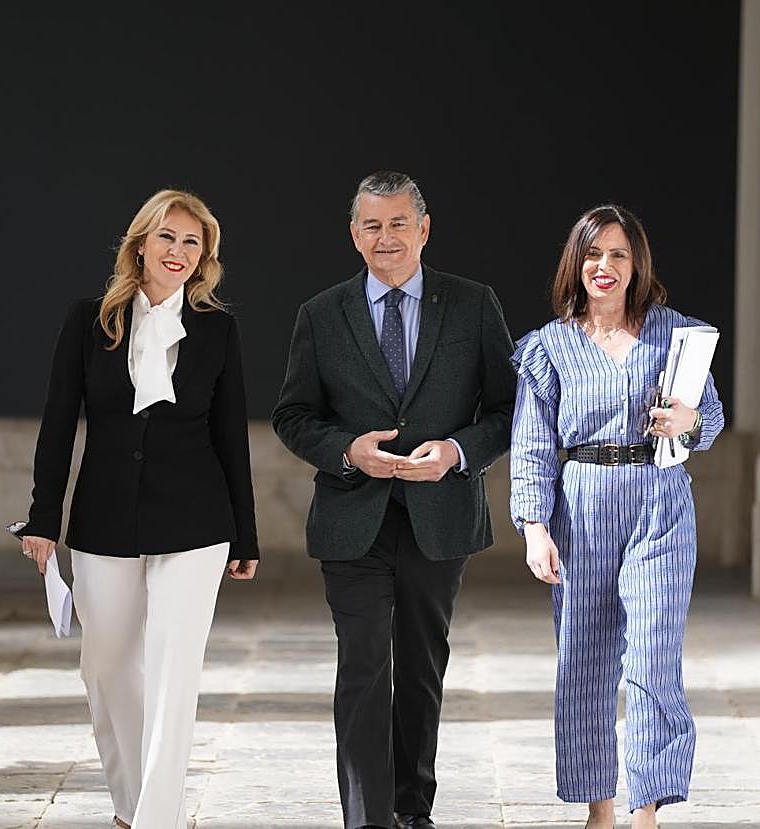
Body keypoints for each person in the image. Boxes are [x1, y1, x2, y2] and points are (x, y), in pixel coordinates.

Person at [272, 170, 516, 829]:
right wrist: (349, 449)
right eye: (372, 225)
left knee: (419, 668)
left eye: (398, 223)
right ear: (355, 235)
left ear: (424, 228)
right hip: (354, 516)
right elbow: (294, 415)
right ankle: (368, 817)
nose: (386, 237)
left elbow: (504, 408)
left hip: (441, 517)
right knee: (362, 666)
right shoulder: (321, 315)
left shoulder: (472, 304)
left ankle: (412, 807)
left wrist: (457, 452)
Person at [17, 189, 259, 829]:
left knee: (176, 669)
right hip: (104, 517)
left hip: (198, 521)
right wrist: (45, 519)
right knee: (107, 664)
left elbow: (231, 437)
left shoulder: (218, 330)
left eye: (192, 243)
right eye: (167, 238)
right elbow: (57, 426)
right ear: (141, 244)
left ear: (203, 256)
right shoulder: (89, 320)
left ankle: (157, 820)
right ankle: (131, 805)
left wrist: (245, 537)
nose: (178, 253)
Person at [508, 204, 725, 829]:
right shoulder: (547, 350)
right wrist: (534, 526)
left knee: (655, 657)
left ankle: (646, 808)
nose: (605, 267)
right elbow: (532, 444)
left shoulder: (676, 336)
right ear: (575, 264)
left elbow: (709, 418)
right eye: (594, 254)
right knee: (584, 661)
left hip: (658, 504)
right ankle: (599, 805)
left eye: (619, 255)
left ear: (637, 265)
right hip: (580, 511)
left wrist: (691, 422)